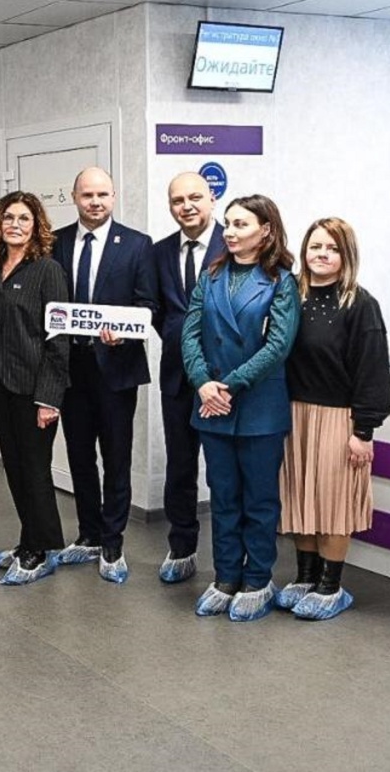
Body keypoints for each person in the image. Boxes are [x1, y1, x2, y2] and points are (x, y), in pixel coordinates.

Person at [181, 194, 300, 622]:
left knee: (260, 500)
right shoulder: (211, 275)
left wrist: (227, 385)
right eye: (228, 223)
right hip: (211, 404)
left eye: (241, 224)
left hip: (258, 407)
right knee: (223, 496)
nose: (229, 232)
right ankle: (226, 576)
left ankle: (258, 580)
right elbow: (190, 333)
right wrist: (202, 383)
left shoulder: (282, 281)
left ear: (265, 230)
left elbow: (278, 346)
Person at [277, 218, 390, 620]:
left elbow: (372, 372)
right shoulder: (290, 295)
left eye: (332, 248)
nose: (322, 254)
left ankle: (331, 586)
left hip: (338, 418)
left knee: (333, 503)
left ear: (347, 255)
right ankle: (305, 577)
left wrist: (364, 431)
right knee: (300, 498)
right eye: (315, 246)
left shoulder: (360, 305)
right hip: (293, 414)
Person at [51, 167, 158, 584]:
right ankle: (89, 534)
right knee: (79, 455)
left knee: (116, 458)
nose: (95, 202)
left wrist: (126, 332)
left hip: (116, 369)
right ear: (74, 197)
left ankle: (113, 542)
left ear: (113, 197)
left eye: (102, 195)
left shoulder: (137, 244)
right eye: (87, 195)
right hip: (70, 368)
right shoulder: (55, 242)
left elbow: (147, 304)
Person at [0, 192, 70, 585]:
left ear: (36, 226)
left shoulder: (48, 270)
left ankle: (40, 551)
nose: (15, 224)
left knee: (35, 470)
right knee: (14, 468)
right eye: (8, 218)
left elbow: (58, 338)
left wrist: (50, 398)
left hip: (35, 390)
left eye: (24, 218)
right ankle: (28, 542)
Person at [152, 172, 225, 583]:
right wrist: (178, 337)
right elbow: (159, 310)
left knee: (222, 472)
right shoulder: (160, 252)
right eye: (178, 200)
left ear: (212, 198)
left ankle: (229, 559)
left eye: (195, 197)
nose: (187, 206)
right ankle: (182, 548)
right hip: (177, 376)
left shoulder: (234, 244)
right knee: (180, 467)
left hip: (224, 380)